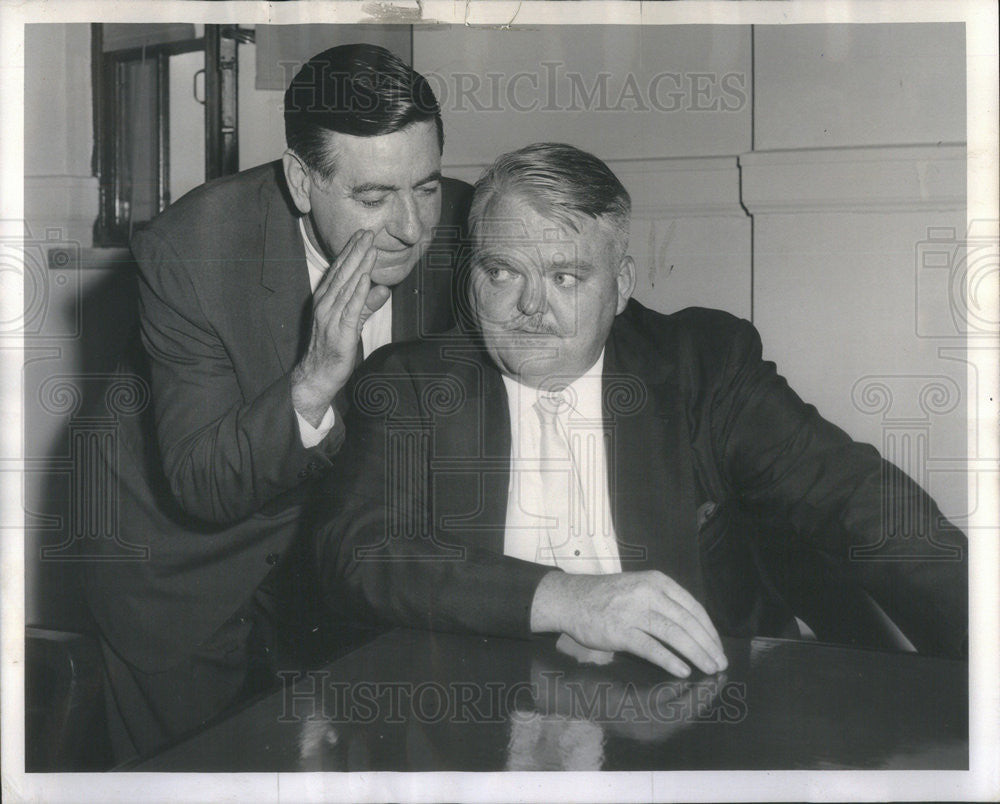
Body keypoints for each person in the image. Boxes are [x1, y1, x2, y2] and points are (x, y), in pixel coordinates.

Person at [311, 143, 968, 679]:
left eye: (565, 277)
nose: (531, 308)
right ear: (472, 276)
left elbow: (860, 503)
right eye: (503, 271)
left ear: (621, 286)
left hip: (695, 713)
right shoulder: (410, 385)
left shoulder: (701, 366)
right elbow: (359, 553)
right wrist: (565, 597)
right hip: (483, 715)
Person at [81, 43, 473, 761]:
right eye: (374, 197)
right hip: (179, 573)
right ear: (301, 179)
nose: (412, 228)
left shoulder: (468, 225)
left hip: (331, 568)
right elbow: (202, 480)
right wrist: (318, 375)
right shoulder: (189, 251)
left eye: (426, 185)